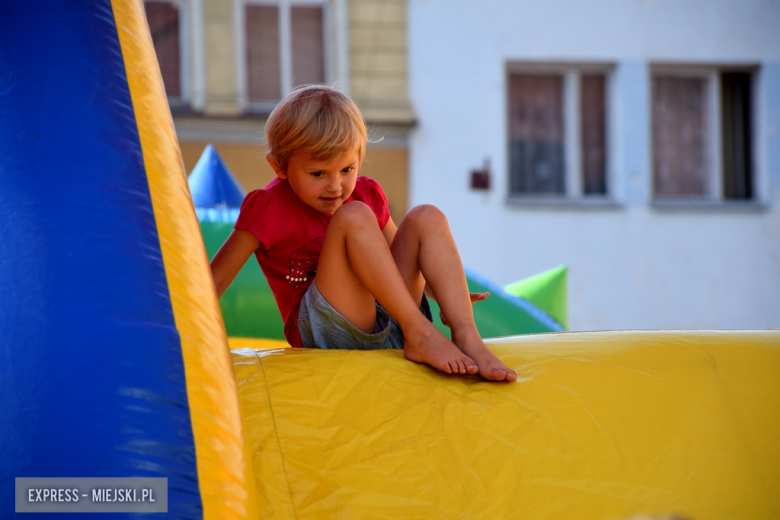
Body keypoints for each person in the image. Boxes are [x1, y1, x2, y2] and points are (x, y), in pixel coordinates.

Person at [210, 85, 516, 382]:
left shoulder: (365, 193)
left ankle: (467, 335)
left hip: (389, 317)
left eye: (347, 170)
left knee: (427, 216)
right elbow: (216, 279)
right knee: (354, 217)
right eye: (318, 174)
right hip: (324, 330)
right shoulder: (270, 207)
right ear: (279, 166)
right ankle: (420, 333)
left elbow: (401, 261)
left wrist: (445, 296)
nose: (335, 186)